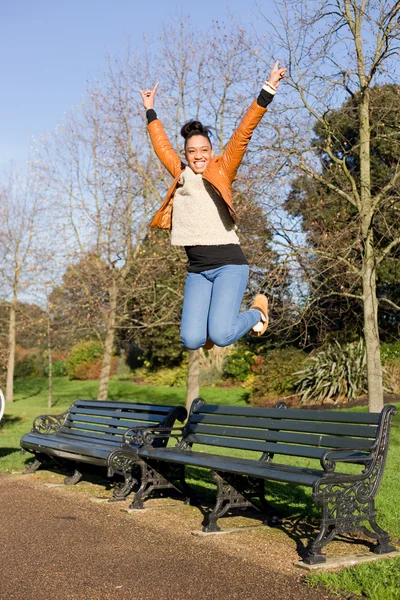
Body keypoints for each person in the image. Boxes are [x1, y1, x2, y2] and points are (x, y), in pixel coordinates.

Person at [140, 61, 287, 351]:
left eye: (203, 151)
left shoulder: (223, 168)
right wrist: (150, 110)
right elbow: (161, 146)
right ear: (185, 154)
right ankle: (215, 326)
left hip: (229, 265)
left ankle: (258, 312)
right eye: (192, 152)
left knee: (221, 335)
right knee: (192, 340)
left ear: (211, 151)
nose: (198, 156)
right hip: (197, 270)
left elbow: (244, 132)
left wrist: (267, 90)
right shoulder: (180, 174)